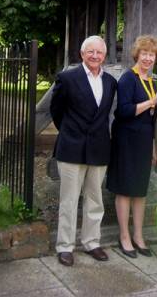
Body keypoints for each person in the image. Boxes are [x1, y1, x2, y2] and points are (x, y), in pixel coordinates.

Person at [50, 35, 117, 266]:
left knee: (95, 199)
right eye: (91, 52)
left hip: (99, 148)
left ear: (104, 56)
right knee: (68, 200)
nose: (95, 56)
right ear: (82, 54)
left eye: (99, 52)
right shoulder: (67, 78)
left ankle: (91, 242)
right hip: (72, 148)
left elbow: (106, 114)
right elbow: (56, 111)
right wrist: (70, 132)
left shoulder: (110, 82)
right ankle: (65, 246)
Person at [106, 35, 157, 258]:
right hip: (126, 141)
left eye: (152, 55)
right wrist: (152, 102)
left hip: (143, 143)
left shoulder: (151, 82)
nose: (148, 58)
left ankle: (139, 236)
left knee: (140, 191)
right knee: (125, 189)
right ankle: (124, 236)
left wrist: (152, 149)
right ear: (137, 55)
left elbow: (151, 121)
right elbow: (122, 111)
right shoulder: (127, 79)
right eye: (145, 54)